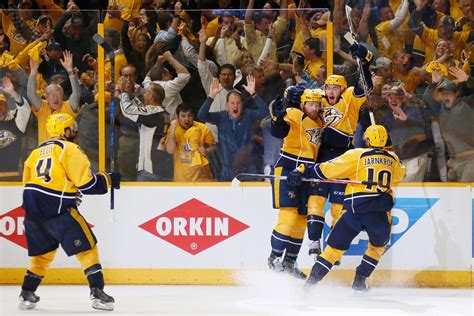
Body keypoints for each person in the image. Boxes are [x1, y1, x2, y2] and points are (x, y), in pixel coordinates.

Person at [19, 113, 121, 311]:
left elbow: (29, 185)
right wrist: (108, 179)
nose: (75, 131)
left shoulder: (34, 153)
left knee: (43, 254)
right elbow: (88, 185)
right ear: (65, 131)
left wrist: (66, 192)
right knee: (87, 248)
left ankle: (26, 293)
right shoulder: (69, 148)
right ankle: (97, 292)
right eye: (72, 127)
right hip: (58, 210)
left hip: (32, 211)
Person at [298, 125, 406, 290]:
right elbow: (401, 174)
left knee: (332, 251)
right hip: (380, 213)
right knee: (377, 248)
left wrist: (305, 170)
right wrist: (390, 154)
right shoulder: (394, 159)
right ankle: (360, 281)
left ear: (367, 140)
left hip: (355, 210)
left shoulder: (357, 155)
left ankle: (309, 286)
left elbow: (328, 170)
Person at [307, 42, 374, 259]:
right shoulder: (318, 100)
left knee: (337, 206)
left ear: (343, 89)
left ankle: (331, 250)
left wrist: (363, 60)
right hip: (321, 154)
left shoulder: (350, 98)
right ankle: (314, 241)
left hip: (343, 155)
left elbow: (366, 85)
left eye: (335, 88)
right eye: (328, 87)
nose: (331, 91)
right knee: (316, 200)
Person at [267, 86, 324, 279]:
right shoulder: (294, 114)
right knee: (289, 217)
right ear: (302, 103)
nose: (314, 107)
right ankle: (274, 257)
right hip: (288, 168)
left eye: (317, 104)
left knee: (301, 220)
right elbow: (279, 131)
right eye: (310, 103)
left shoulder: (320, 121)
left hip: (306, 172)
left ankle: (289, 261)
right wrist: (276, 119)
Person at [197, 75, 268, 181]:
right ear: (227, 105)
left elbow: (264, 112)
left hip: (247, 169)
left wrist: (253, 94)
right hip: (227, 170)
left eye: (238, 103)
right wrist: (211, 96)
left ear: (242, 105)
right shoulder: (221, 117)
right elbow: (201, 115)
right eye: (232, 103)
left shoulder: (248, 115)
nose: (235, 106)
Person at [165, 103, 216, 181]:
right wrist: (172, 129)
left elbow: (214, 148)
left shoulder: (203, 128)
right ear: (177, 117)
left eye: (189, 115)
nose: (187, 119)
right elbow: (170, 150)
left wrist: (206, 150)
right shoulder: (173, 130)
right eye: (183, 116)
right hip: (181, 181)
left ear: (193, 116)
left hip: (203, 179)